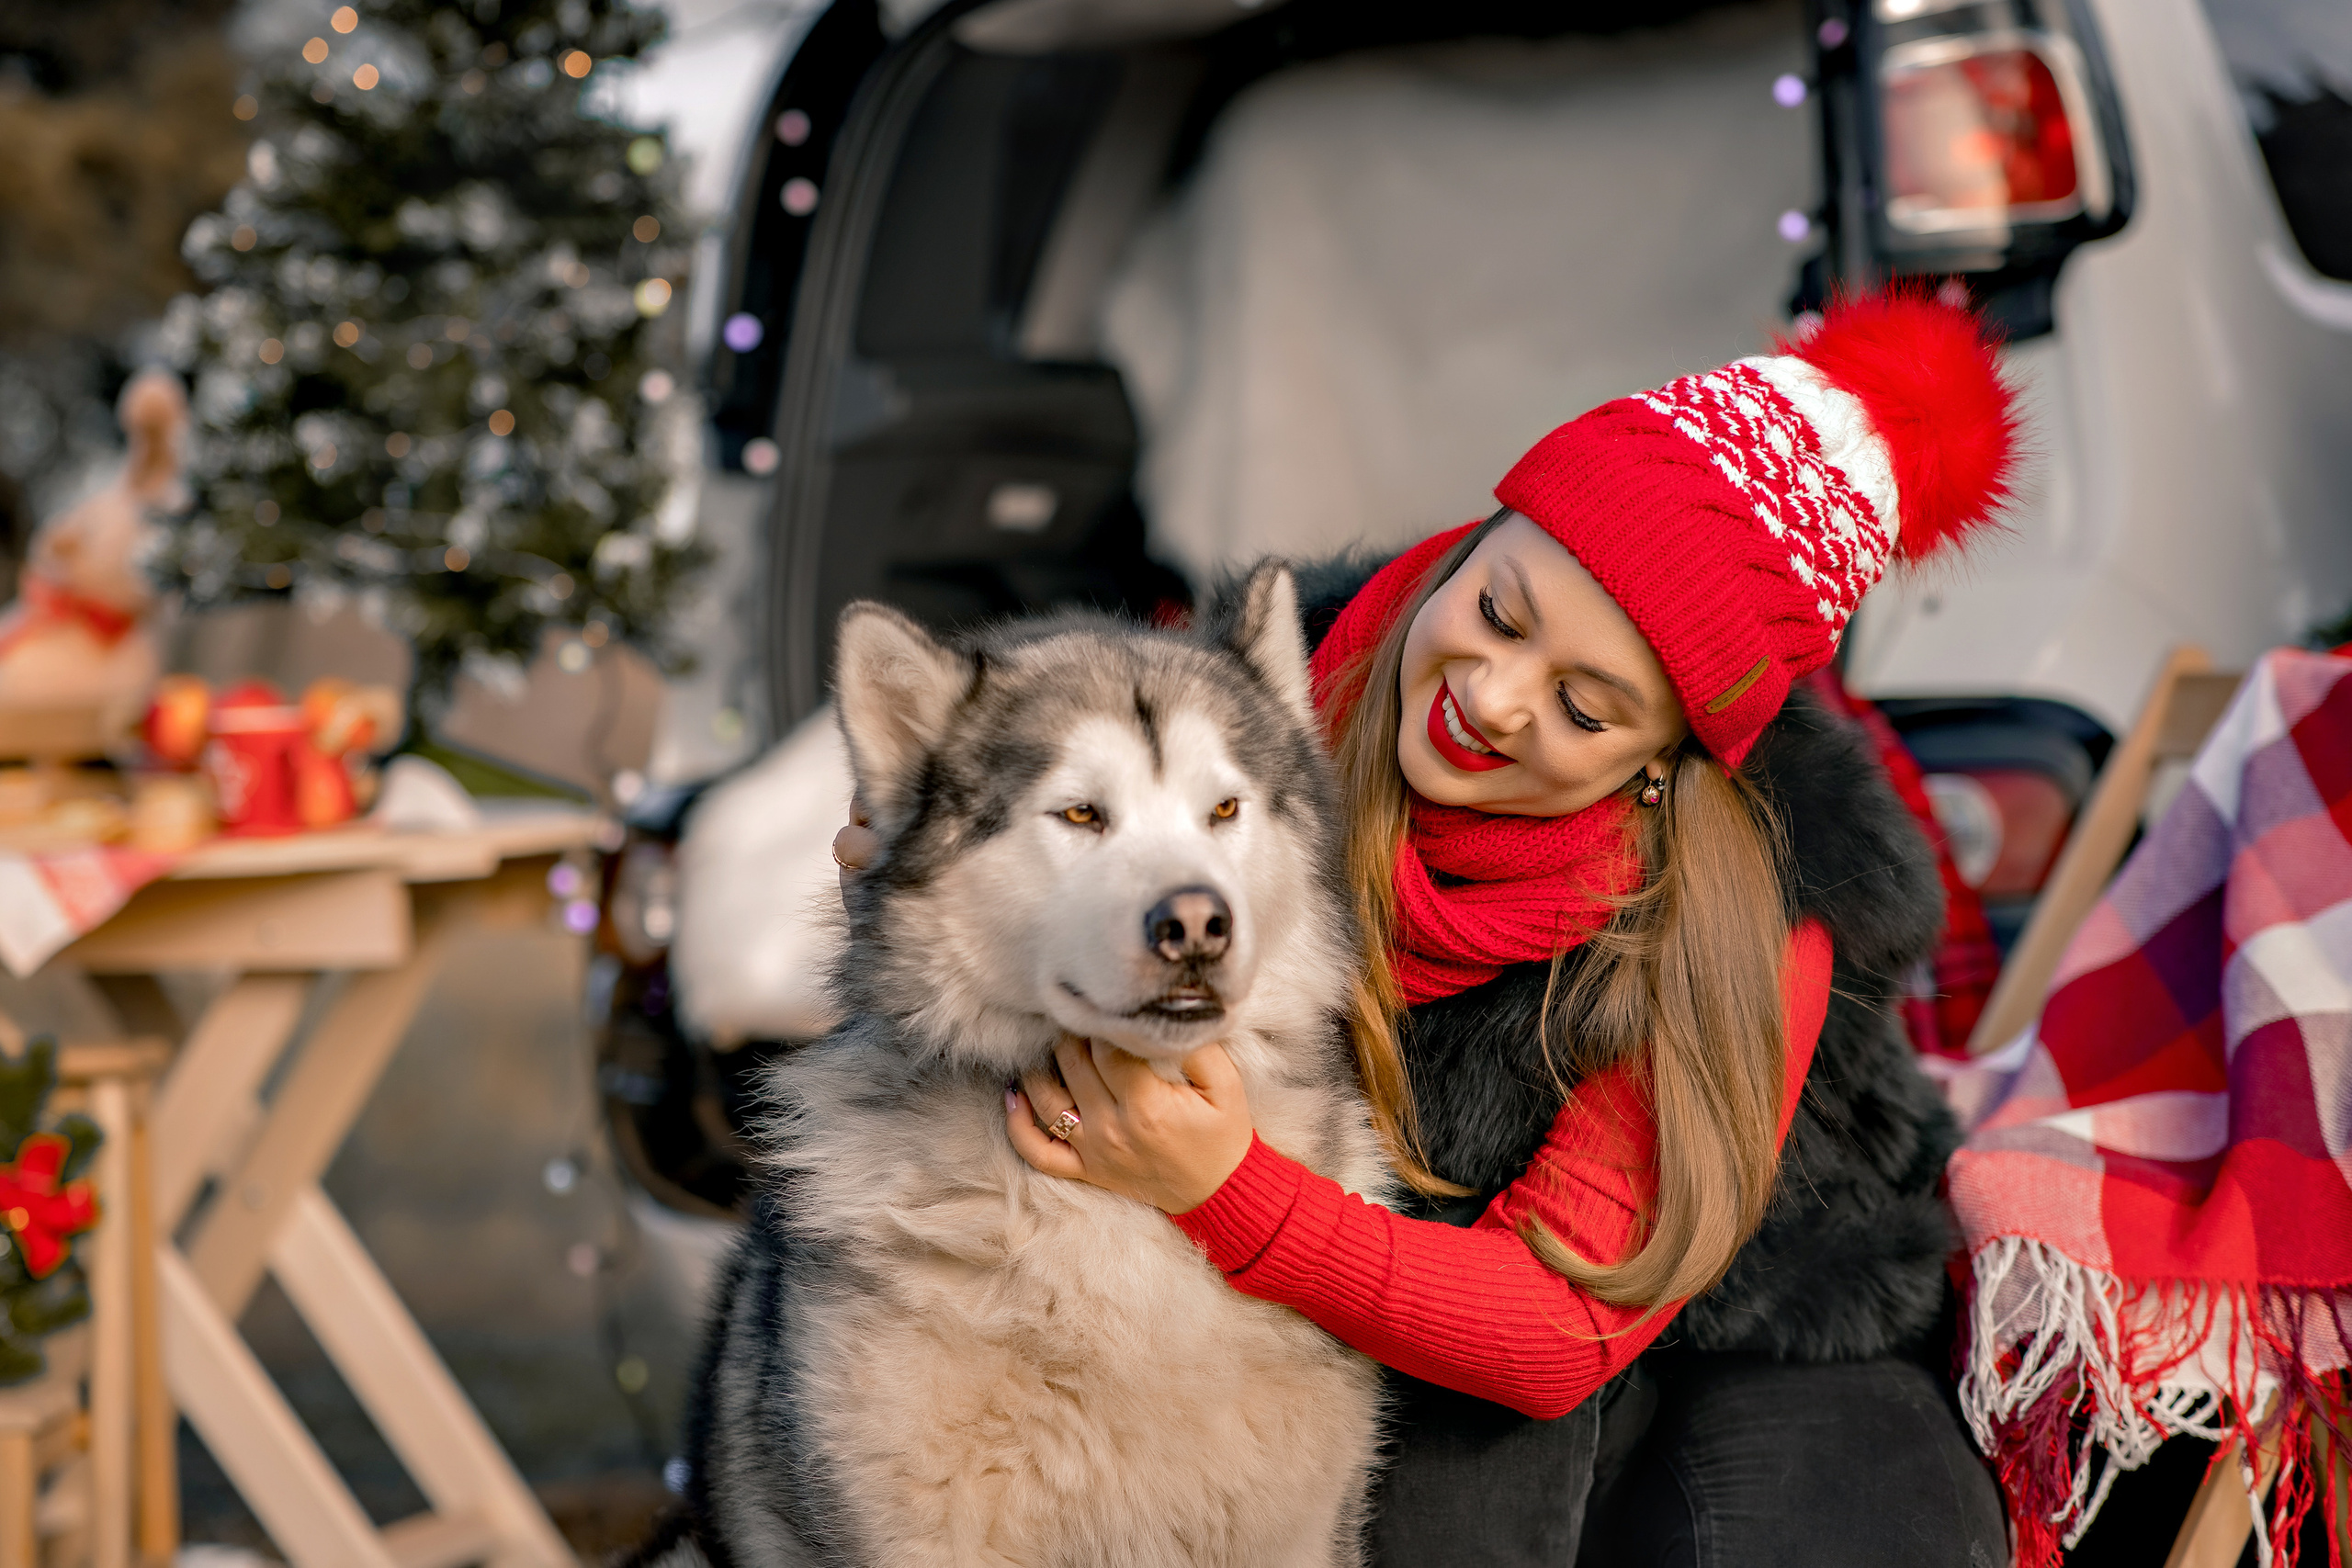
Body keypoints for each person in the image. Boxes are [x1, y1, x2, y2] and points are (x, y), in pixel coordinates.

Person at [837, 292, 2015, 1565]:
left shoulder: (1752, 914)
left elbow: (1558, 1327)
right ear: (1480, 536)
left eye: (1587, 705)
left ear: (1667, 763)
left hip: (1736, 1323)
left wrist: (1229, 1188)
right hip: (1399, 1300)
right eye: (1503, 612)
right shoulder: (1262, 695)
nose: (1496, 699)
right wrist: (920, 869)